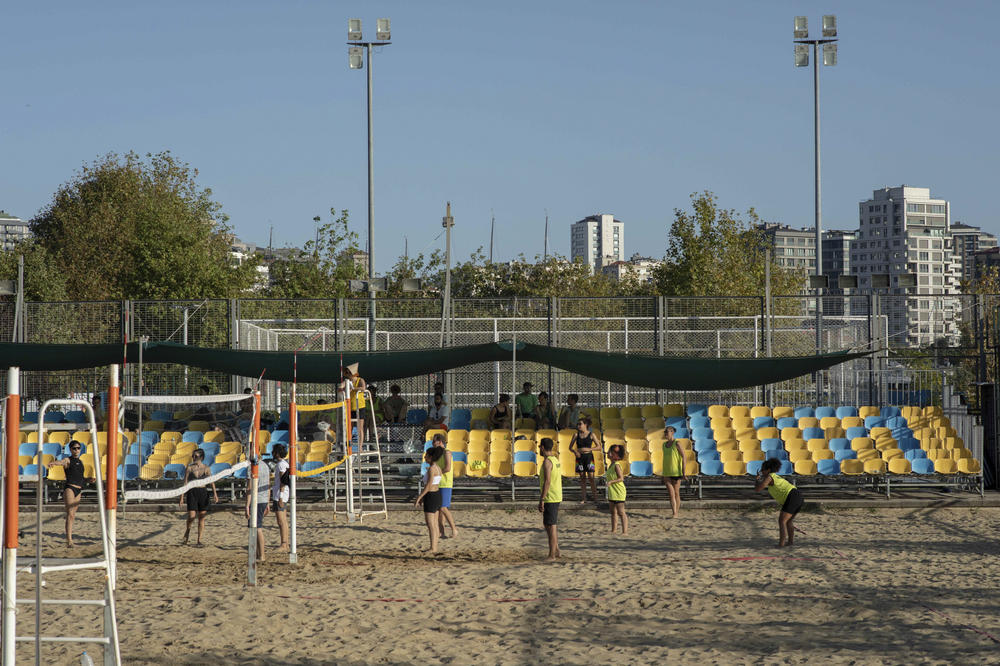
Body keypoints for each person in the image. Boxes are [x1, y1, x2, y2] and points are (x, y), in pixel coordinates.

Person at [47, 440, 93, 546]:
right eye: (74, 448)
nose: (76, 450)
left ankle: (70, 538)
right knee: (70, 513)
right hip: (70, 488)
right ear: (71, 449)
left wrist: (88, 480)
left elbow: (80, 477)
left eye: (78, 448)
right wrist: (54, 463)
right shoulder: (68, 460)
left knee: (73, 515)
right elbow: (62, 462)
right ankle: (69, 540)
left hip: (79, 489)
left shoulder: (80, 462)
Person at [754, 458, 805, 547]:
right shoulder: (774, 477)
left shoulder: (770, 477)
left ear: (768, 470)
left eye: (763, 469)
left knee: (782, 521)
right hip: (797, 496)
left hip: (792, 496)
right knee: (788, 521)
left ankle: (781, 544)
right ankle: (790, 542)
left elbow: (758, 489)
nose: (762, 471)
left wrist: (757, 479)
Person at [179, 448, 219, 546]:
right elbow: (185, 482)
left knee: (202, 517)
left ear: (201, 457)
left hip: (202, 492)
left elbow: (212, 481)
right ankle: (188, 530)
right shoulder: (189, 468)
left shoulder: (206, 468)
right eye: (193, 456)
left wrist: (215, 494)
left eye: (195, 456)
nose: (193, 457)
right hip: (192, 492)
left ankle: (199, 540)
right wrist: (181, 497)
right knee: (192, 516)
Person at [414, 447, 445, 554]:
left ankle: (433, 547)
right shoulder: (437, 468)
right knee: (435, 524)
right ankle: (434, 547)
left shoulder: (432, 469)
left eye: (426, 455)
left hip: (431, 496)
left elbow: (428, 485)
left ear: (431, 457)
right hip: (437, 495)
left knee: (431, 524)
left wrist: (419, 497)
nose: (425, 457)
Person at [537, 438, 562, 561]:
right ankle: (556, 550)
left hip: (550, 496)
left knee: (551, 525)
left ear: (542, 447)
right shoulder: (555, 460)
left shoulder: (547, 462)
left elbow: (547, 481)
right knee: (548, 524)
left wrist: (542, 499)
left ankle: (552, 555)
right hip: (555, 495)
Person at [431, 434, 458, 538]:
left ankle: (454, 529)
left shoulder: (447, 452)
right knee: (439, 509)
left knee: (443, 507)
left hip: (445, 483)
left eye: (435, 441)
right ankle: (441, 532)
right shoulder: (436, 454)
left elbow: (447, 468)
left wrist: (436, 473)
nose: (433, 443)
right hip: (437, 482)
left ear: (441, 442)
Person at [569, 416, 601, 503]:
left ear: (585, 425)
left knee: (591, 477)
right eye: (578, 424)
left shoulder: (591, 434)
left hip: (588, 457)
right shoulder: (576, 435)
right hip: (580, 458)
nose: (578, 426)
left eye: (580, 424)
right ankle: (584, 498)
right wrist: (575, 452)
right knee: (582, 478)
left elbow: (599, 447)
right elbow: (570, 447)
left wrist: (590, 449)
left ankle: (595, 497)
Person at [244, 458, 271, 562]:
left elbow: (249, 488)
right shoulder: (265, 465)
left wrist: (247, 506)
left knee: (257, 528)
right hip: (263, 499)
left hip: (256, 500)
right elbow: (268, 486)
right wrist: (268, 502)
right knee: (256, 528)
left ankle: (261, 555)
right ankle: (258, 554)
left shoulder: (252, 467)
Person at [661, 426, 686, 518]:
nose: (666, 434)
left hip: (676, 472)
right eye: (665, 432)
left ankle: (676, 512)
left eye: (667, 432)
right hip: (667, 472)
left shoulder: (677, 443)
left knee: (676, 493)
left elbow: (684, 457)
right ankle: (674, 513)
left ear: (672, 432)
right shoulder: (664, 445)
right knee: (671, 494)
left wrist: (683, 472)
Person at [605, 444, 629, 534]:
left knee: (621, 512)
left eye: (610, 452)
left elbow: (621, 478)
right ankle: (614, 530)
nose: (608, 453)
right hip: (612, 491)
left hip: (618, 491)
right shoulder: (611, 465)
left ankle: (625, 531)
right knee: (612, 512)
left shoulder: (616, 465)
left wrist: (611, 482)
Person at [271, 444, 291, 552]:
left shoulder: (281, 465)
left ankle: (284, 544)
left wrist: (281, 497)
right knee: (282, 521)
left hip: (280, 495)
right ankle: (285, 543)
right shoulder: (282, 464)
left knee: (281, 521)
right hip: (279, 493)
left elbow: (283, 481)